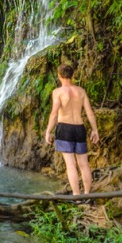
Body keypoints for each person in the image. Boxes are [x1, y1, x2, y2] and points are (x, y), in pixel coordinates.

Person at [44, 63, 100, 195]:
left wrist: (48, 131)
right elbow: (90, 112)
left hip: (64, 128)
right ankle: (87, 194)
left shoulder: (57, 92)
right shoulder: (81, 91)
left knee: (70, 164)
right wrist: (94, 130)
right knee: (84, 164)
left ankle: (77, 196)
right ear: (72, 75)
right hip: (79, 128)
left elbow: (54, 113)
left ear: (59, 76)